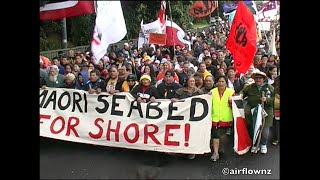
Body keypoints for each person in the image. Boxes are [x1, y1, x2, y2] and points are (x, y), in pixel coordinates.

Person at [240, 71, 275, 154]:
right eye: (256, 78)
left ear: (263, 79)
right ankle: (255, 144)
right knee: (253, 129)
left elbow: (274, 100)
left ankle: (263, 144)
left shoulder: (270, 88)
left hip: (266, 112)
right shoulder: (250, 87)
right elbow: (243, 92)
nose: (258, 79)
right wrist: (241, 95)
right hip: (253, 112)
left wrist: (267, 100)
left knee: (265, 131)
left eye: (260, 78)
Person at [172, 75, 204, 160]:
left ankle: (191, 151)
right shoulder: (180, 91)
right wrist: (175, 100)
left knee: (192, 134)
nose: (192, 83)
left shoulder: (199, 92)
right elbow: (174, 101)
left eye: (193, 81)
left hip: (194, 117)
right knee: (182, 133)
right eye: (190, 81)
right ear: (186, 82)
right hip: (182, 117)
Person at [210, 75, 234, 162]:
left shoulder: (231, 92)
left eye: (222, 81)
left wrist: (232, 101)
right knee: (215, 135)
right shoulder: (212, 92)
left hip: (226, 118)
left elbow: (235, 106)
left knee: (223, 137)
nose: (220, 83)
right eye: (219, 81)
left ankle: (220, 147)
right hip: (215, 117)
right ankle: (215, 153)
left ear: (226, 83)